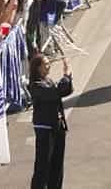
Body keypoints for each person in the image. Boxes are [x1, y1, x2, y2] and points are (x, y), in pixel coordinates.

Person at [29, 53, 72, 189]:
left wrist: (68, 77)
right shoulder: (36, 85)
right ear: (38, 68)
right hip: (45, 129)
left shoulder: (48, 81)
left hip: (57, 126)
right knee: (43, 165)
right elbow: (55, 92)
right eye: (46, 64)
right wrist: (66, 76)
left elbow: (65, 90)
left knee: (57, 164)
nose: (49, 66)